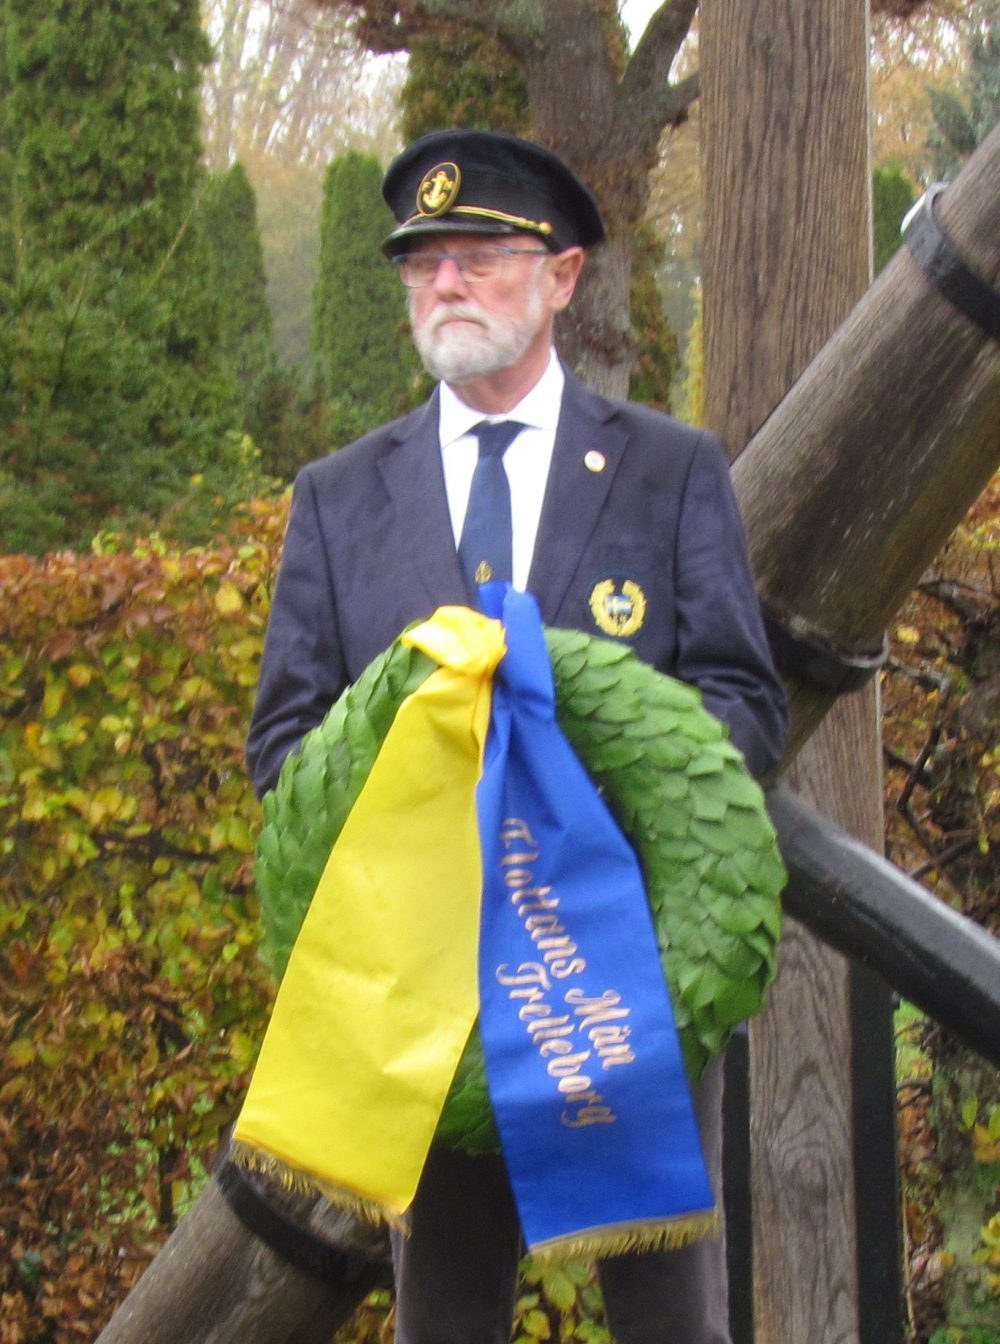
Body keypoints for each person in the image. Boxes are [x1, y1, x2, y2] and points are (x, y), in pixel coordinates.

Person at [246, 128, 787, 1344]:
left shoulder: (670, 470)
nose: (445, 283)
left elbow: (744, 705)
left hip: (622, 979)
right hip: (429, 995)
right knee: (442, 1325)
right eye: (422, 261)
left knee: (671, 1326)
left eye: (480, 256)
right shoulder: (338, 497)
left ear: (563, 275)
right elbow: (284, 742)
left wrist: (572, 783)